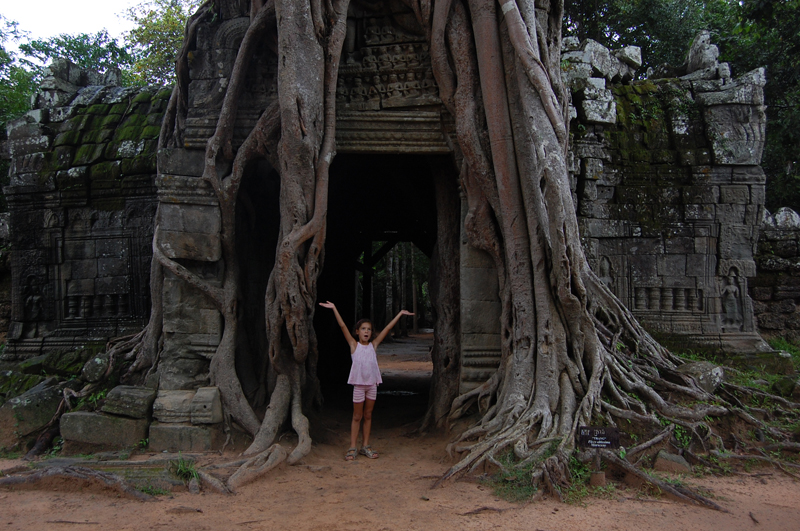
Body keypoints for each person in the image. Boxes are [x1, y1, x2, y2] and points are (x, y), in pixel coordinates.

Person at [319, 301, 413, 461]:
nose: (366, 332)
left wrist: (399, 314)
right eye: (363, 329)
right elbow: (342, 326)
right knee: (357, 416)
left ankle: (366, 446)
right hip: (358, 387)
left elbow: (387, 329)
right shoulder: (353, 346)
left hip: (372, 386)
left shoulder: (373, 346)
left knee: (368, 415)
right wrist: (335, 308)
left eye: (369, 329)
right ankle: (352, 446)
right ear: (357, 332)